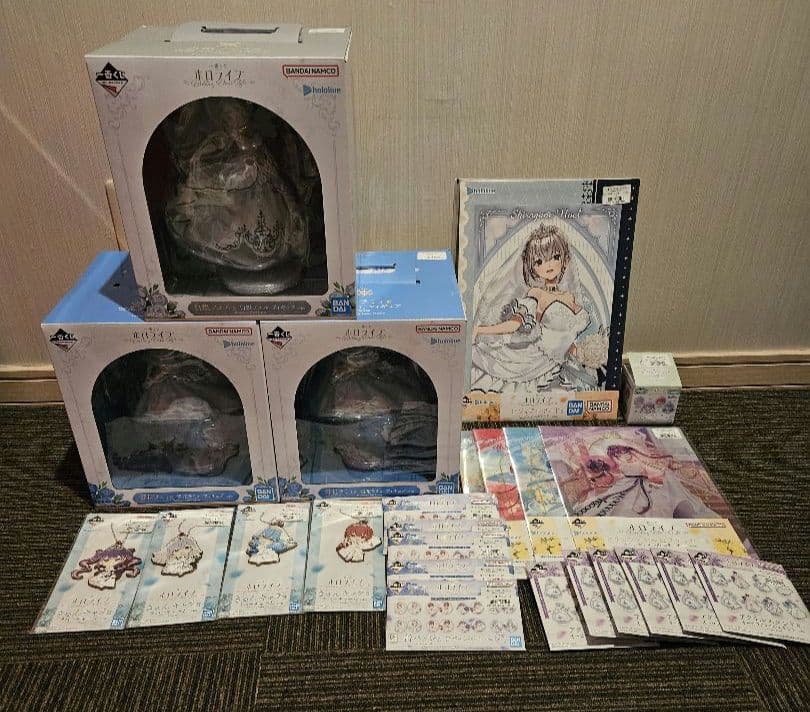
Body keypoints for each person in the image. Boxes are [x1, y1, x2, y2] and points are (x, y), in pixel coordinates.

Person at [471, 225, 590, 392]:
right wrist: (480, 330)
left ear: (565, 259)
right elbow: (514, 325)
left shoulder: (569, 297)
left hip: (561, 362)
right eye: (539, 261)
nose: (548, 264)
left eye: (555, 257)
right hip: (536, 361)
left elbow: (569, 333)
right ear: (531, 266)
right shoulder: (536, 294)